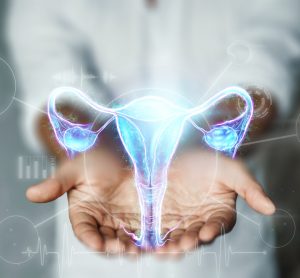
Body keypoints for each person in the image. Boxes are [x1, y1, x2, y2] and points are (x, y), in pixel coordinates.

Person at [7, 0, 300, 277]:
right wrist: (93, 150)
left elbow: (265, 66)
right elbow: (51, 84)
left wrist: (208, 146)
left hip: (232, 267)